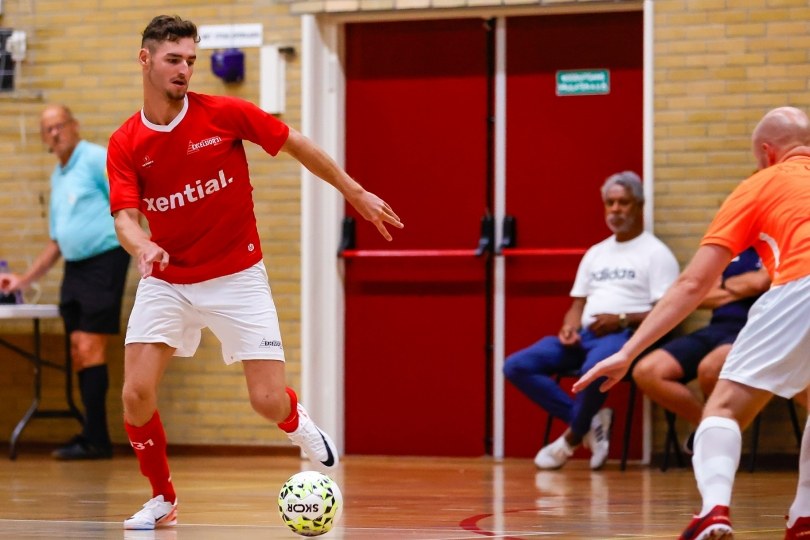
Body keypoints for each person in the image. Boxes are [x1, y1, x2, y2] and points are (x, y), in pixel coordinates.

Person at [107, 15, 403, 531]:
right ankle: (163, 498)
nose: (184, 70)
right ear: (146, 59)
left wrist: (354, 192)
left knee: (266, 400)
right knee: (134, 392)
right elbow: (125, 218)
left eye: (191, 61)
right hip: (168, 278)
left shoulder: (224, 114)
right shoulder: (127, 142)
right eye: (174, 60)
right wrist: (144, 245)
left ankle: (297, 422)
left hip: (237, 273)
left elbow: (297, 143)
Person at [573, 106, 810, 539]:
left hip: (800, 289)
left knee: (722, 408)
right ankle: (804, 517)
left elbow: (693, 283)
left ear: (767, 152)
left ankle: (714, 510)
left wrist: (628, 351)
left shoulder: (760, 184)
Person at [502, 171, 679, 471]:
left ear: (639, 206)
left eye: (623, 203)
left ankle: (570, 439)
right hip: (585, 335)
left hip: (624, 337)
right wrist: (569, 326)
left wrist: (620, 318)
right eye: (610, 203)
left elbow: (669, 312)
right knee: (516, 365)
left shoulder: (656, 254)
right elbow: (577, 304)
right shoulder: (596, 253)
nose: (615, 210)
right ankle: (588, 421)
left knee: (593, 371)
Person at [0, 104, 130, 460]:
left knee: (90, 347)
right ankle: (92, 435)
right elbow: (58, 240)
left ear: (74, 126)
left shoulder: (94, 159)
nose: (54, 133)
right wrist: (23, 280)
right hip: (74, 268)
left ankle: (98, 441)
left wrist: (141, 242)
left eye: (59, 125)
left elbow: (128, 202)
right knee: (77, 351)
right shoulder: (58, 176)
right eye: (47, 129)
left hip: (104, 261)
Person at [632, 247, 769, 453]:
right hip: (716, 328)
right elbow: (699, 296)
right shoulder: (730, 248)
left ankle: (714, 437)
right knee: (647, 371)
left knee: (710, 368)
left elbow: (762, 282)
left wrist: (722, 284)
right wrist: (742, 288)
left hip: (754, 330)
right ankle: (710, 430)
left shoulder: (779, 245)